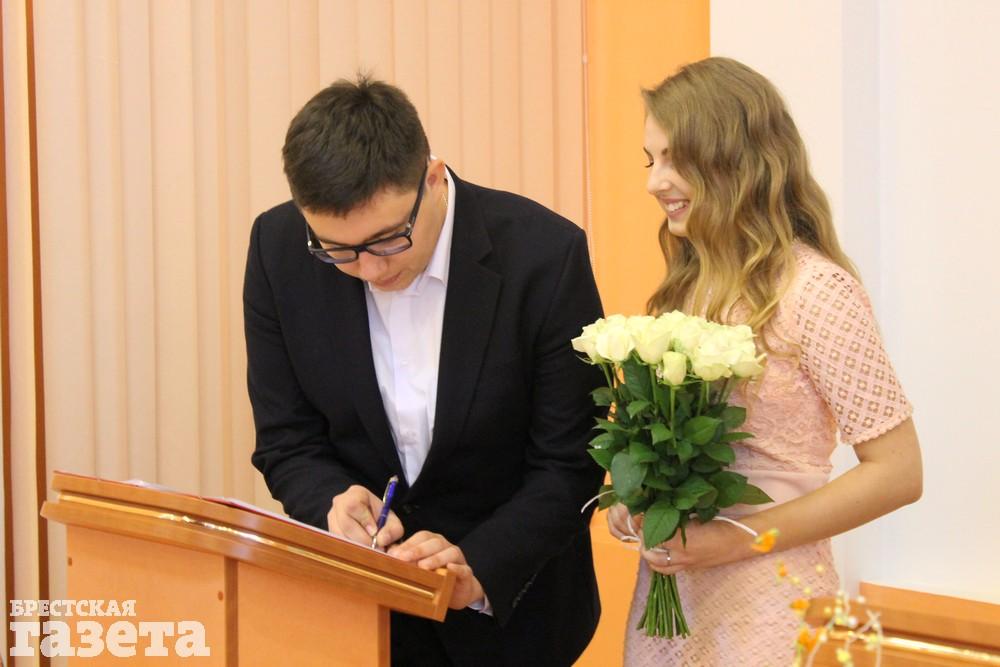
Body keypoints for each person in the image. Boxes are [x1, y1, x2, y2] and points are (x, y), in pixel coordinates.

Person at [243, 75, 605, 666]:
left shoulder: (544, 255)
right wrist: (332, 501)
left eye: (388, 240)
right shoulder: (277, 248)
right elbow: (287, 439)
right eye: (336, 250)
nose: (367, 270)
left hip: (513, 623)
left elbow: (570, 462)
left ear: (433, 178)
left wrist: (479, 564)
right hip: (361, 621)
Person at [607, 57, 923, 664]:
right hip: (672, 603)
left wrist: (737, 539)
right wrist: (636, 495)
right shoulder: (685, 288)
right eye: (651, 160)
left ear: (735, 160)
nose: (654, 182)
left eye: (674, 159)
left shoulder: (817, 291)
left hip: (771, 600)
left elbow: (898, 472)